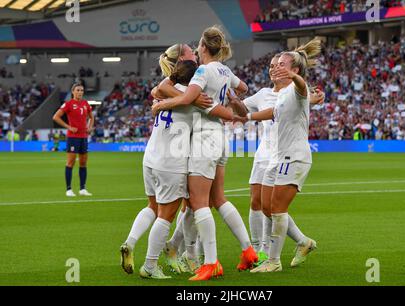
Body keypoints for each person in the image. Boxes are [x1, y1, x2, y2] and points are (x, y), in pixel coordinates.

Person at [153, 25, 251, 281]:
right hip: (220, 139)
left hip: (203, 139)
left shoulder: (202, 70)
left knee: (198, 203)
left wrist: (162, 103)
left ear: (204, 47)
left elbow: (187, 100)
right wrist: (229, 96)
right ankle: (244, 251)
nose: (196, 49)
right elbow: (245, 88)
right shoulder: (225, 70)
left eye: (198, 45)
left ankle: (210, 262)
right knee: (216, 198)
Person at [119, 43, 211, 276]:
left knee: (152, 206)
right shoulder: (194, 97)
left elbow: (157, 91)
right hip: (171, 163)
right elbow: (214, 110)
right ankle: (150, 265)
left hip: (150, 157)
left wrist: (160, 103)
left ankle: (130, 242)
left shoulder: (165, 91)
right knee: (165, 217)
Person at [228, 54, 325, 267]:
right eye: (273, 66)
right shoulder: (279, 95)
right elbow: (273, 112)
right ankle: (298, 243)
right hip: (276, 157)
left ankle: (272, 259)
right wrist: (244, 116)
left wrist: (294, 77)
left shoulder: (298, 87)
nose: (275, 69)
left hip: (293, 156)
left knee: (276, 209)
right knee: (265, 206)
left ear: (295, 71)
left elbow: (301, 88)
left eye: (281, 65)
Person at [53, 83, 94, 197]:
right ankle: (69, 189)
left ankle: (82, 189)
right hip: (73, 137)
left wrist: (90, 127)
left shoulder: (85, 104)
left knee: (83, 162)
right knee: (70, 162)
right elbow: (55, 117)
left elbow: (91, 117)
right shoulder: (68, 104)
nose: (80, 92)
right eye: (78, 90)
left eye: (82, 90)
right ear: (73, 92)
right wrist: (69, 127)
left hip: (83, 137)